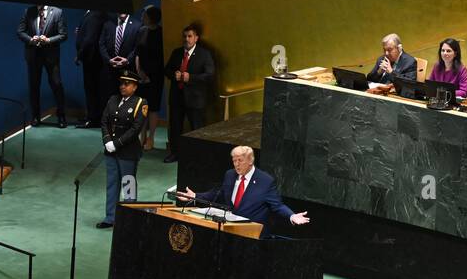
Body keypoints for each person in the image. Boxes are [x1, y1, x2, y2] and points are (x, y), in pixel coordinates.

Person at [176, 145, 309, 229]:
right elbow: (218, 193)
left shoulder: (265, 181)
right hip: (228, 227)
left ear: (250, 161)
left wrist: (292, 216)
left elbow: (277, 205)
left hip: (251, 231)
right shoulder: (230, 175)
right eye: (234, 161)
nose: (236, 164)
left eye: (240, 160)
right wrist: (195, 196)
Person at [98, 72, 148, 229]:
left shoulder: (141, 103)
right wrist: (107, 141)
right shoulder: (113, 99)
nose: (123, 86)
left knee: (128, 184)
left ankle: (129, 217)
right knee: (112, 184)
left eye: (127, 84)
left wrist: (117, 143)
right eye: (121, 83)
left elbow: (135, 129)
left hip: (128, 151)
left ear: (134, 86)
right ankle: (110, 217)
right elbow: (104, 121)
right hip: (111, 150)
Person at [162, 23, 216, 164]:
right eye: (185, 36)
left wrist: (190, 77)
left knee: (197, 129)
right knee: (175, 128)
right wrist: (174, 74)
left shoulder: (204, 55)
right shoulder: (177, 52)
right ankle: (175, 154)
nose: (187, 39)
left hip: (195, 99)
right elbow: (166, 70)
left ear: (196, 38)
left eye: (190, 36)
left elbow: (210, 76)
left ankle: (198, 157)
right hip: (177, 97)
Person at [18, 3, 67, 127]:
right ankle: (35, 117)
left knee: (57, 85)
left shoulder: (57, 12)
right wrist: (30, 39)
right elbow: (20, 31)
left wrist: (49, 40)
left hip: (51, 56)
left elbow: (63, 35)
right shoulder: (28, 11)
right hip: (33, 56)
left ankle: (61, 116)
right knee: (34, 87)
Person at [133, 5, 164, 151]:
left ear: (152, 17)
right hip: (141, 75)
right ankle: (142, 137)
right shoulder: (141, 31)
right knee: (142, 107)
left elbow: (160, 58)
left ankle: (151, 137)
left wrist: (149, 75)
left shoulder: (161, 33)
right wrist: (140, 71)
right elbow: (137, 53)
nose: (141, 17)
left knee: (153, 107)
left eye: (144, 15)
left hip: (155, 77)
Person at [75, 9, 108, 128]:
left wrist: (79, 55)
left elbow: (89, 39)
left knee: (91, 88)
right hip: (93, 58)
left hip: (91, 59)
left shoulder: (95, 14)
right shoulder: (94, 14)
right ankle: (93, 116)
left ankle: (93, 119)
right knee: (94, 88)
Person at [99, 11, 141, 102]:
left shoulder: (137, 25)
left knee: (128, 100)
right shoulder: (108, 24)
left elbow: (137, 47)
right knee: (110, 98)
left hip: (128, 70)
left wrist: (128, 60)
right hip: (110, 70)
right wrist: (108, 60)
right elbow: (101, 44)